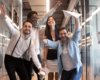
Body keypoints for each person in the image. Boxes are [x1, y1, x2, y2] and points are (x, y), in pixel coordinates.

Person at [0, 5, 44, 80]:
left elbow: (34, 56)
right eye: (26, 26)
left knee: (26, 78)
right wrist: (4, 16)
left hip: (19, 60)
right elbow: (9, 26)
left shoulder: (31, 42)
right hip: (9, 59)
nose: (27, 28)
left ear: (32, 29)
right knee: (13, 78)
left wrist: (40, 67)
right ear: (23, 27)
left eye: (29, 27)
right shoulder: (16, 33)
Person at [23, 1, 62, 80]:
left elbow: (46, 16)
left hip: (37, 55)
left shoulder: (37, 26)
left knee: (42, 76)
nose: (36, 20)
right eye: (34, 18)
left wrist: (56, 6)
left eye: (36, 18)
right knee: (28, 76)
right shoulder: (25, 29)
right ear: (28, 19)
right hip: (28, 57)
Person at [39, 9, 82, 80]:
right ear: (58, 35)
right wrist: (42, 39)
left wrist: (76, 18)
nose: (63, 35)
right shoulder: (58, 43)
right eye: (61, 34)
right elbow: (50, 43)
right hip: (65, 70)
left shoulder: (72, 40)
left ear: (67, 34)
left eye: (65, 33)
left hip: (75, 69)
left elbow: (77, 31)